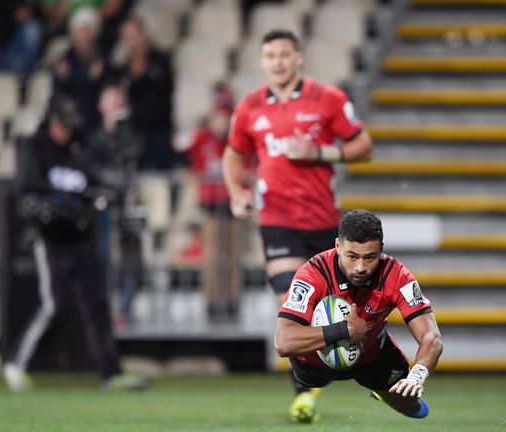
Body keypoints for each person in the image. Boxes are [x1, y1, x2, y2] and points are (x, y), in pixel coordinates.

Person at [222, 29, 373, 421]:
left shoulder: (328, 99)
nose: (277, 62)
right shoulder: (251, 107)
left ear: (299, 57)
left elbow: (363, 146)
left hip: (323, 222)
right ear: (261, 61)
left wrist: (319, 152)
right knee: (292, 303)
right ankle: (304, 393)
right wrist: (237, 192)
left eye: (284, 54)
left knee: (347, 308)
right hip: (277, 221)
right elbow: (233, 156)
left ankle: (370, 368)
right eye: (270, 55)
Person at [3, 94, 146, 392]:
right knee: (55, 304)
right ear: (51, 121)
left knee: (97, 303)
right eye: (61, 124)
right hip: (51, 237)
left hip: (80, 234)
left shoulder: (79, 149)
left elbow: (96, 182)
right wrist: (54, 204)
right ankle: (17, 363)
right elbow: (27, 190)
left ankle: (110, 373)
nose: (65, 131)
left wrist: (105, 192)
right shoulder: (34, 148)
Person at [275, 209, 443, 423]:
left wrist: (418, 375)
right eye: (352, 256)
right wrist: (345, 330)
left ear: (381, 250)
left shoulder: (397, 276)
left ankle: (381, 392)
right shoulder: (312, 275)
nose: (360, 267)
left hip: (372, 357)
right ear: (337, 246)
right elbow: (283, 342)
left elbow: (432, 337)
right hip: (314, 363)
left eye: (370, 257)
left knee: (414, 408)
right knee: (310, 379)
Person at [176, 86, 243, 320]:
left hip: (234, 204)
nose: (221, 122)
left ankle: (233, 302)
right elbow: (179, 146)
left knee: (233, 256)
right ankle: (212, 302)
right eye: (218, 116)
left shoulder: (239, 140)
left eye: (226, 117)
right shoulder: (202, 137)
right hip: (209, 205)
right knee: (212, 256)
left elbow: (252, 164)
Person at [86, 83, 144, 326]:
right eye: (111, 100)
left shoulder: (130, 137)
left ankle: (125, 307)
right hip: (102, 209)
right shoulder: (94, 139)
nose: (116, 106)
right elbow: (92, 169)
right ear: (101, 106)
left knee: (129, 258)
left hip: (124, 208)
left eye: (119, 101)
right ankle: (102, 307)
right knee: (103, 259)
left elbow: (131, 163)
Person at [115, 16, 175, 170]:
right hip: (133, 134)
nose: (132, 42)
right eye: (127, 37)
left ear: (144, 35)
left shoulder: (161, 60)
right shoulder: (121, 69)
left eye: (134, 35)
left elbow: (166, 89)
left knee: (160, 181)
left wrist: (143, 72)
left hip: (159, 131)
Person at [52, 7, 111, 131]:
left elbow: (105, 99)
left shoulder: (103, 60)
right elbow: (59, 95)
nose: (83, 40)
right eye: (79, 36)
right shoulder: (66, 60)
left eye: (87, 36)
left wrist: (96, 80)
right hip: (68, 121)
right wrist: (63, 79)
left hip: (94, 122)